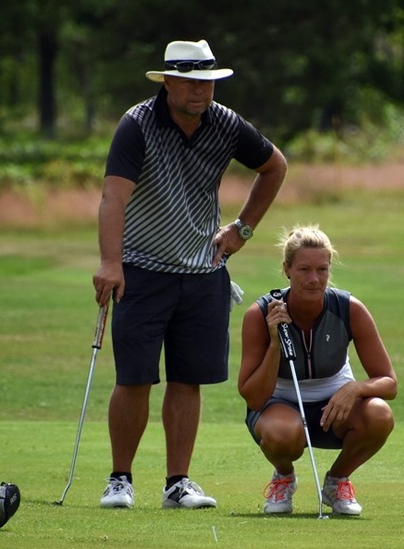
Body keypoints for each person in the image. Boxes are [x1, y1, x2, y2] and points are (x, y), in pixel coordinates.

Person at [92, 39, 287, 510]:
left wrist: (243, 228)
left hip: (203, 272)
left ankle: (177, 483)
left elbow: (274, 166)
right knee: (134, 378)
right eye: (191, 82)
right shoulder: (137, 124)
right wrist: (111, 263)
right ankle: (120, 480)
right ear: (169, 83)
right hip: (142, 270)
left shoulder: (225, 123)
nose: (201, 92)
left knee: (187, 379)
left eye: (207, 82)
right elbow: (113, 198)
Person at [238, 225, 397, 516]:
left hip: (335, 410)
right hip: (278, 406)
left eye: (322, 269)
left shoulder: (349, 309)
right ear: (286, 269)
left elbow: (389, 382)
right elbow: (253, 398)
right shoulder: (259, 314)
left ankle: (337, 482)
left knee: (379, 414)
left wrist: (355, 388)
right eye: (304, 270)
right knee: (282, 432)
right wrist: (275, 343)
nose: (314, 279)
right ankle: (283, 477)